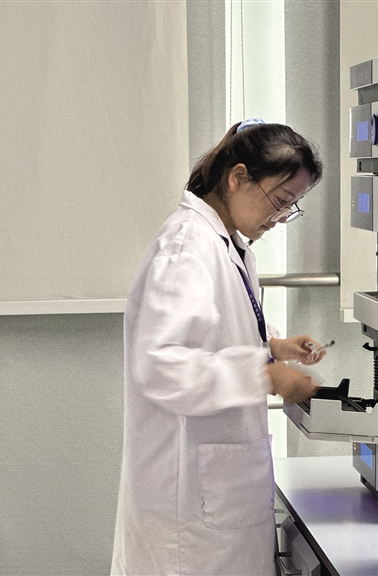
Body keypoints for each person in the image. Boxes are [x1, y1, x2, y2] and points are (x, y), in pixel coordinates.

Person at [111, 119, 326, 575]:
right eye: (280, 200)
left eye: (292, 207)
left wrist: (275, 348)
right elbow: (159, 363)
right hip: (189, 514)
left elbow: (210, 337)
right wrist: (264, 374)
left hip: (218, 493)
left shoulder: (226, 243)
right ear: (238, 177)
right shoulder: (187, 246)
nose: (280, 217)